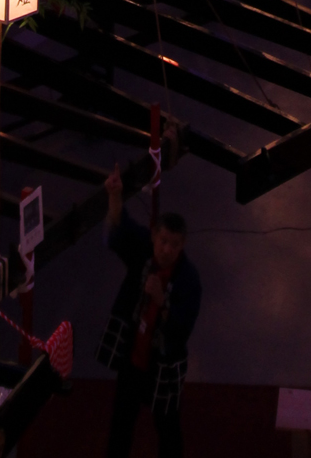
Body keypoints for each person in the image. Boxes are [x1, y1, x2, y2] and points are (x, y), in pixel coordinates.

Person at [98, 163, 202, 458]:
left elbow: (182, 330)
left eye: (174, 244)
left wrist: (160, 300)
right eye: (163, 241)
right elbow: (121, 229)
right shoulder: (144, 249)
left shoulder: (189, 280)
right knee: (121, 424)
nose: (166, 249)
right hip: (133, 356)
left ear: (182, 246)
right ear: (154, 237)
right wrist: (115, 195)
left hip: (162, 363)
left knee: (168, 429)